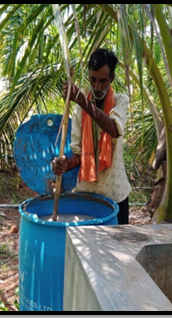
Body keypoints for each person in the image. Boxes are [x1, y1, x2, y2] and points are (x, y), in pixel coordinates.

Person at [52, 48, 131, 225]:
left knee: (117, 248)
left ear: (111, 78)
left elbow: (113, 129)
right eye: (93, 80)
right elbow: (78, 155)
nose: (97, 87)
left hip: (115, 193)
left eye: (103, 81)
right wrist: (64, 164)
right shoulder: (80, 108)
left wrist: (81, 100)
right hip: (87, 193)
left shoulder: (120, 101)